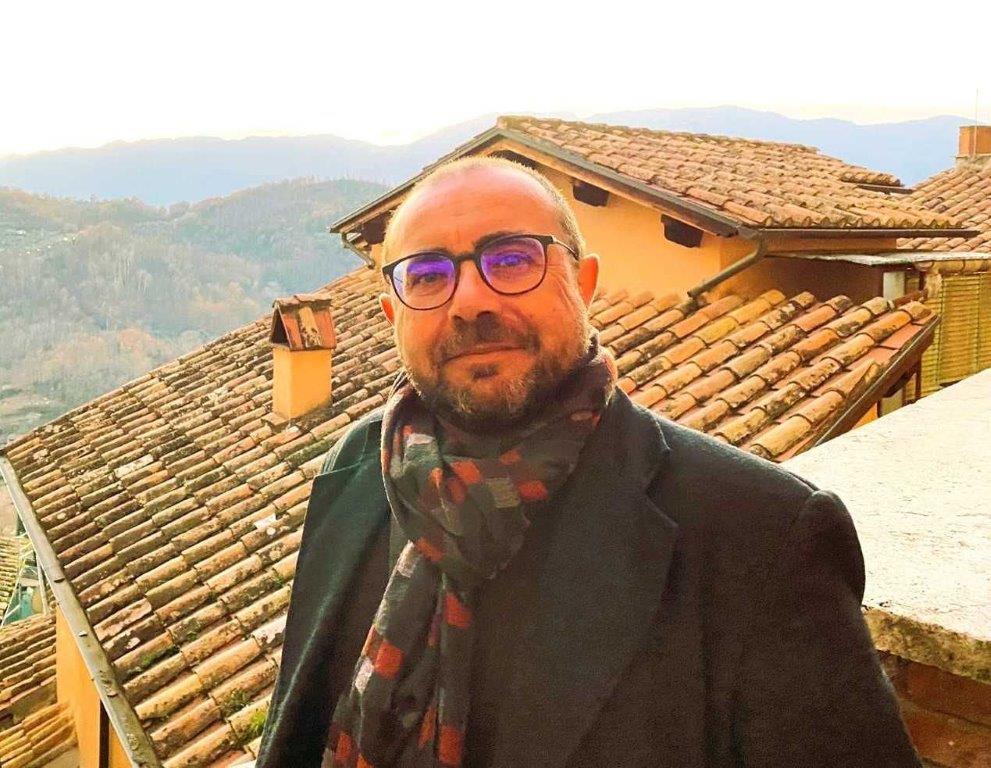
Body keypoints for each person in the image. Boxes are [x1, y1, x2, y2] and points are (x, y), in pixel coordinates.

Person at [255, 156, 921, 768]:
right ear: (392, 313)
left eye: (511, 260)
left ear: (584, 281)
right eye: (427, 276)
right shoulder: (353, 475)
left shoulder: (762, 538)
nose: (470, 300)